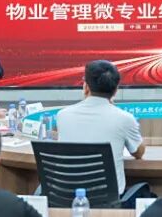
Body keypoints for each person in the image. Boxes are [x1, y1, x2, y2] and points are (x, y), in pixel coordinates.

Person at [56, 60, 145, 196]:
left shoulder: (63, 116)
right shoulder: (124, 119)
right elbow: (138, 153)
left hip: (67, 198)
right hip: (109, 201)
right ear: (116, 90)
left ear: (86, 86)